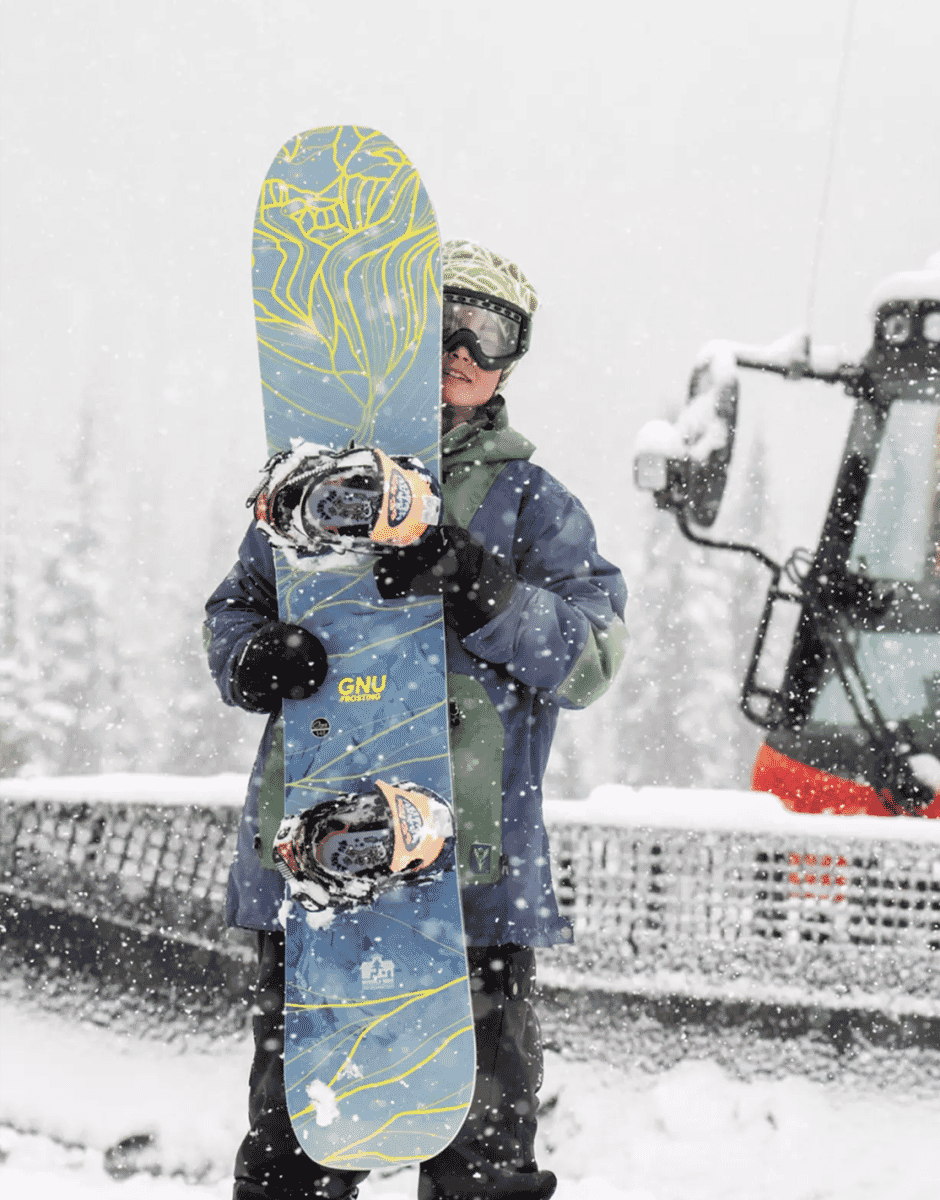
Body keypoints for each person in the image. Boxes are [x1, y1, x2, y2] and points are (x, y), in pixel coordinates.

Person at [204, 239, 628, 1200]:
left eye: (489, 333)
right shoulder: (314, 490)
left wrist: (479, 587)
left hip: (472, 878)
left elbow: (592, 655)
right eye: (440, 325)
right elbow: (233, 609)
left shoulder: (529, 502)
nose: (460, 353)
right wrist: (252, 657)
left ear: (512, 362)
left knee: (477, 1152)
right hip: (316, 859)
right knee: (300, 1136)